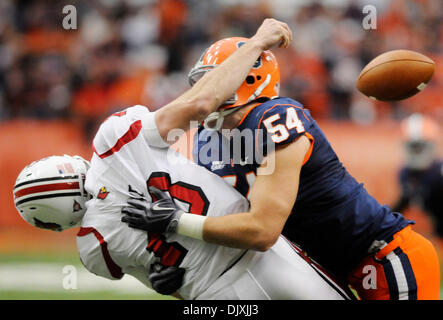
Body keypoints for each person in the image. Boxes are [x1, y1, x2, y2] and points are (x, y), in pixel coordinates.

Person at [13, 19, 353, 300]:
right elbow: (201, 104)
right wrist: (257, 43)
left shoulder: (93, 251)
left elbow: (168, 282)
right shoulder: (114, 140)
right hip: (262, 259)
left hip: (212, 298)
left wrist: (168, 283)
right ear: (68, 165)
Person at [121, 36, 441, 300]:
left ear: (249, 78)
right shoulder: (204, 140)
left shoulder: (276, 116)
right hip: (320, 267)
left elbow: (261, 230)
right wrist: (183, 271)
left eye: (214, 78)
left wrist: (177, 222)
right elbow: (222, 222)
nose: (205, 89)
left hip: (382, 257)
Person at [392, 113, 443, 247]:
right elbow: (404, 201)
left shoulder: (439, 172)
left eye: (420, 147)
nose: (417, 151)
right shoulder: (405, 173)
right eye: (413, 147)